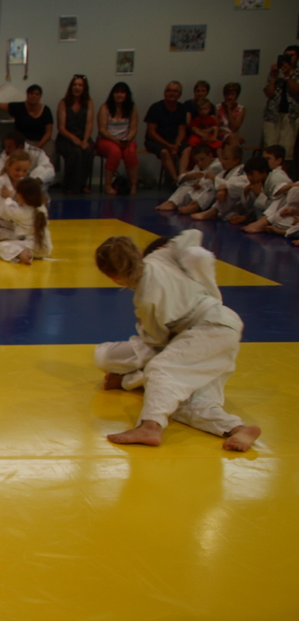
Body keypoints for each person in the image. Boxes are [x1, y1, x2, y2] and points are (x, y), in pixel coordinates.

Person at [94, 231, 259, 452]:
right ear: (138, 253)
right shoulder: (160, 257)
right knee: (188, 403)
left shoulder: (146, 299)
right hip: (222, 327)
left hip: (209, 328)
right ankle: (237, 429)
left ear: (113, 277)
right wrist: (178, 249)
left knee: (160, 368)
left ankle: (150, 426)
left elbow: (157, 341)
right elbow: (193, 234)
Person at [96, 82, 139, 195]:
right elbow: (102, 129)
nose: (119, 95)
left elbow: (133, 129)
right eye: (117, 92)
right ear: (112, 94)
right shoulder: (105, 108)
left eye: (122, 92)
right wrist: (115, 140)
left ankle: (133, 185)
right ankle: (108, 185)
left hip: (126, 140)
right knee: (115, 152)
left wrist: (128, 139)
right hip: (107, 139)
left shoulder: (132, 108)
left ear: (127, 95)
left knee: (131, 152)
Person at [0, 84, 56, 162]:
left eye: (37, 94)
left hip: (43, 141)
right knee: (24, 156)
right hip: (24, 141)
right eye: (31, 93)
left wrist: (38, 146)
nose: (34, 96)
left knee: (48, 155)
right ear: (27, 94)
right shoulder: (18, 107)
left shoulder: (46, 110)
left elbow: (48, 133)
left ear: (40, 96)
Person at [55, 75, 94, 193]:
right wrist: (75, 140)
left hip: (83, 136)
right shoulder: (63, 103)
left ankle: (82, 184)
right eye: (75, 84)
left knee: (88, 150)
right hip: (66, 138)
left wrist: (85, 139)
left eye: (80, 85)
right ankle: (70, 185)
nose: (77, 87)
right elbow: (61, 128)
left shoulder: (89, 102)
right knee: (76, 152)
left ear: (84, 88)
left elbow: (89, 123)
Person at [156, 145, 222, 214]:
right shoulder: (198, 167)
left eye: (202, 159)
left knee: (209, 188)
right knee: (186, 187)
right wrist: (189, 177)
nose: (200, 163)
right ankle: (172, 203)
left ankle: (193, 207)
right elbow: (182, 179)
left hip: (210, 192)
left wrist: (197, 182)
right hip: (198, 191)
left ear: (210, 155)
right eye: (197, 161)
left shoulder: (217, 165)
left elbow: (206, 178)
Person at [145, 81, 188, 185]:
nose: (171, 93)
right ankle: (176, 180)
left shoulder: (182, 108)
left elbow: (182, 130)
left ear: (180, 94)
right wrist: (169, 145)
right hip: (155, 141)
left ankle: (182, 176)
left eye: (175, 91)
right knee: (165, 152)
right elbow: (151, 132)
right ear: (164, 93)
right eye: (169, 91)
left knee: (187, 148)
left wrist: (177, 144)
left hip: (174, 141)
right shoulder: (155, 108)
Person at [262, 47, 299, 164]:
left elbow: (296, 90)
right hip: (273, 114)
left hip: (291, 115)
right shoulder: (276, 72)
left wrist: (287, 75)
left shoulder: (297, 73)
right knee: (270, 148)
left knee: (286, 150)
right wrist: (273, 76)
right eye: (286, 55)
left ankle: (283, 174)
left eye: (291, 55)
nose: (288, 57)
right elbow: (269, 93)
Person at [191, 145, 246, 222]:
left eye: (226, 159)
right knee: (212, 186)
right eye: (222, 158)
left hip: (239, 202)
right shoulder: (225, 171)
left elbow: (234, 186)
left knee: (226, 190)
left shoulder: (241, 169)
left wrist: (222, 187)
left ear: (236, 160)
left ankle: (212, 211)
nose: (222, 161)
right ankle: (196, 204)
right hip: (229, 206)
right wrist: (200, 184)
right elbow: (217, 184)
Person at [217, 83, 246, 149]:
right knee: (233, 138)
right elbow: (215, 126)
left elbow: (234, 128)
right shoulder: (217, 107)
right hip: (221, 134)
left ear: (237, 96)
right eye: (227, 94)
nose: (229, 97)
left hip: (233, 135)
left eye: (232, 94)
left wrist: (229, 111)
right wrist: (232, 134)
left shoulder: (241, 108)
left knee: (229, 145)